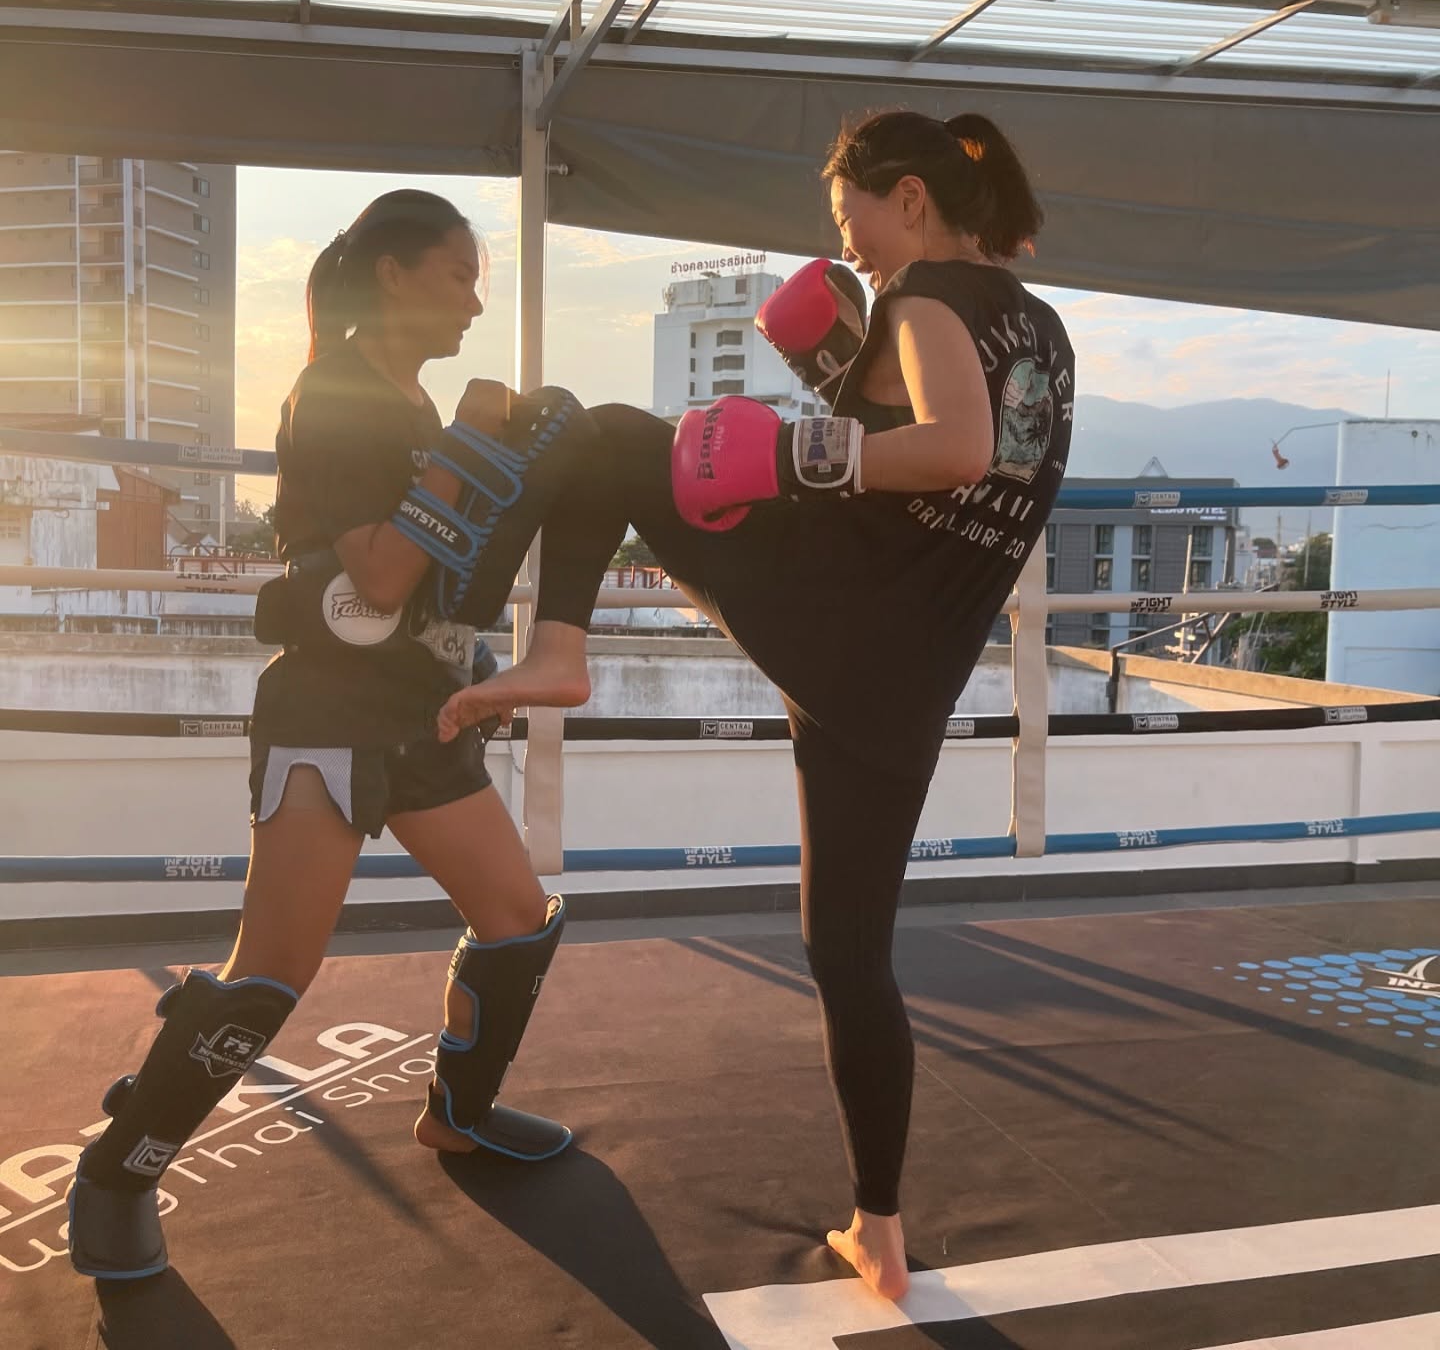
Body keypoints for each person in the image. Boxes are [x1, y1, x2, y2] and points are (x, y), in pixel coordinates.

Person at [436, 111, 1076, 1300]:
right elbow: (950, 470)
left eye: (852, 219)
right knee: (849, 954)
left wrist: (788, 455)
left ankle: (551, 647)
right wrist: (837, 380)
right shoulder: (1043, 332)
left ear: (911, 200)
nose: (855, 247)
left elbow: (953, 449)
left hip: (827, 611)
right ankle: (879, 1228)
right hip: (904, 683)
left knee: (607, 436)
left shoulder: (925, 293)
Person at [67, 189, 594, 1280]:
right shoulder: (338, 393)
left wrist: (480, 624)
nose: (474, 304)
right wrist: (469, 445)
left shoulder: (410, 399)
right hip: (329, 714)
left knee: (516, 919)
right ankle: (120, 1173)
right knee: (271, 973)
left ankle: (459, 1114)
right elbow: (383, 575)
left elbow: (437, 581)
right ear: (394, 274)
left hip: (418, 708)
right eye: (458, 276)